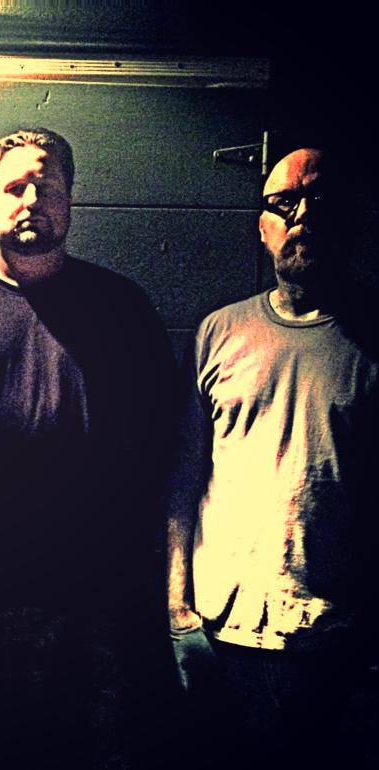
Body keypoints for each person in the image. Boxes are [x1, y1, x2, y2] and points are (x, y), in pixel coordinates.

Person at [0, 128, 176, 769]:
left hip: (92, 599)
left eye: (48, 188)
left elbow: (162, 442)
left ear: (70, 203)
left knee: (84, 749)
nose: (32, 201)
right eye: (16, 187)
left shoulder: (123, 309)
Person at [167, 148, 379, 768]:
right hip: (219, 632)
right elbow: (183, 480)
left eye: (320, 201)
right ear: (263, 226)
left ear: (352, 220)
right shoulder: (217, 333)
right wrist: (177, 608)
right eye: (284, 203)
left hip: (334, 639)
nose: (302, 215)